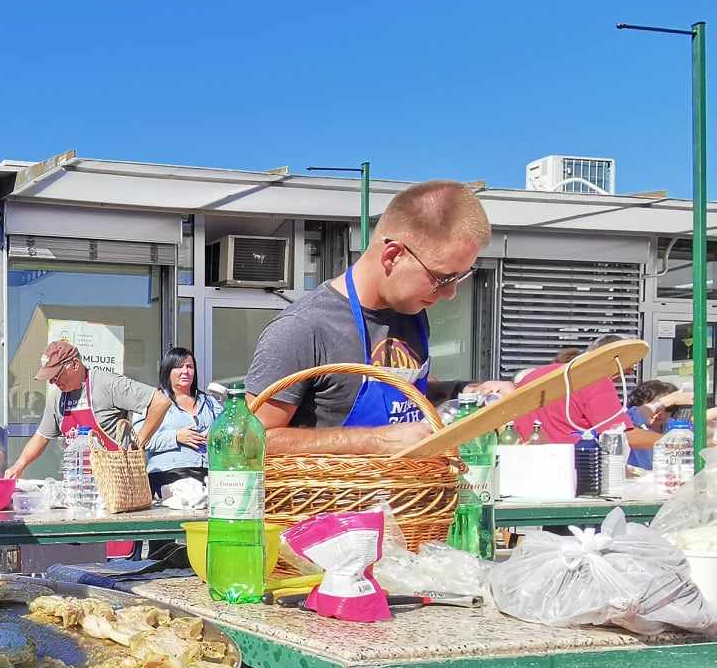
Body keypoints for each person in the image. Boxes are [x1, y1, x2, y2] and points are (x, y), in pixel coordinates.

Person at [246, 181, 511, 453]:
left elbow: (403, 395)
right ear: (393, 256)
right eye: (441, 278)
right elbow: (251, 442)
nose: (451, 293)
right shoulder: (303, 328)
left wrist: (466, 392)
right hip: (330, 496)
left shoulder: (411, 312)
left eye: (459, 277)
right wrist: (376, 440)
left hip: (410, 491)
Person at [2, 340, 164, 478]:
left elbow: (160, 401)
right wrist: (19, 465)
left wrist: (138, 443)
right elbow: (42, 437)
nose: (53, 382)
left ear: (74, 364)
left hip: (118, 481)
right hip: (79, 482)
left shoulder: (107, 384)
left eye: (56, 376)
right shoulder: (57, 397)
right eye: (50, 379)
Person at [509, 336, 662, 452]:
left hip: (524, 462)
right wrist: (675, 442)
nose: (631, 370)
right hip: (569, 468)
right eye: (629, 364)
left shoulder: (535, 375)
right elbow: (620, 436)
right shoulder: (595, 379)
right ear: (614, 358)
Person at [144, 347, 217, 496]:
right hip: (169, 474)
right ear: (167, 371)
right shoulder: (153, 401)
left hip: (210, 475)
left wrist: (216, 435)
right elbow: (142, 440)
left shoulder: (209, 402)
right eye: (179, 367)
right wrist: (176, 437)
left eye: (190, 366)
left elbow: (230, 429)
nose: (185, 371)